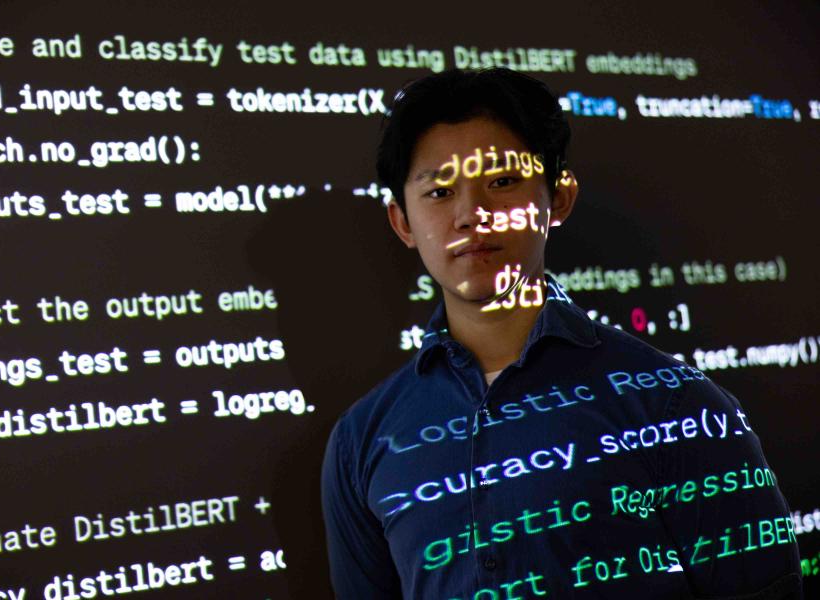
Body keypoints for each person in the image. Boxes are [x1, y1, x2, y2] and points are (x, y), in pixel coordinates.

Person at [320, 68, 803, 599]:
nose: (471, 215)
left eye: (501, 182)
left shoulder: (676, 405)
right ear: (402, 222)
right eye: (439, 192)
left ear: (560, 199)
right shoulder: (361, 442)